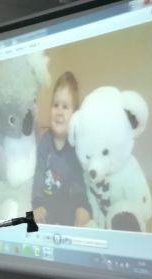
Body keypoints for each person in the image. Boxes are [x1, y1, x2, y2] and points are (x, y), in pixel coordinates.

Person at [31, 71, 91, 227]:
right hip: (44, 208)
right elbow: (38, 172)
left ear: (75, 114)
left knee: (82, 219)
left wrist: (81, 206)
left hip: (67, 210)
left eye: (65, 107)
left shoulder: (75, 146)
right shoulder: (44, 142)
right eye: (55, 105)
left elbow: (78, 180)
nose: (59, 112)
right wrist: (37, 204)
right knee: (29, 225)